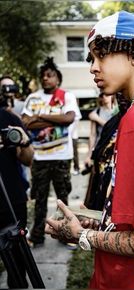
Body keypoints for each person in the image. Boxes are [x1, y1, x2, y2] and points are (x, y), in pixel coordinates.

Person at [45, 11, 134, 289]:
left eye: (102, 55)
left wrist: (82, 236)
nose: (93, 67)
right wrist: (97, 223)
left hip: (127, 279)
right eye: (92, 58)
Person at [22, 57, 81, 247]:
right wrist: (56, 118)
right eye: (43, 76)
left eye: (50, 75)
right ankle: (36, 236)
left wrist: (39, 116)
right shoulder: (33, 98)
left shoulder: (67, 96)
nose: (45, 78)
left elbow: (69, 118)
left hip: (62, 157)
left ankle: (66, 234)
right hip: (39, 158)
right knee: (39, 198)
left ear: (58, 78)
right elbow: (25, 122)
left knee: (63, 198)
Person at [0, 81, 34, 288]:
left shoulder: (9, 119)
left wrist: (24, 142)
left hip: (12, 199)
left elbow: (28, 159)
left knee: (17, 258)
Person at [84, 92, 115, 170]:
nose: (105, 97)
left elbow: (113, 128)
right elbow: (92, 135)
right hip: (100, 147)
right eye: (102, 95)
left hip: (114, 147)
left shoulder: (117, 111)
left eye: (107, 94)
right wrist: (89, 155)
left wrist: (97, 119)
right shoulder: (96, 112)